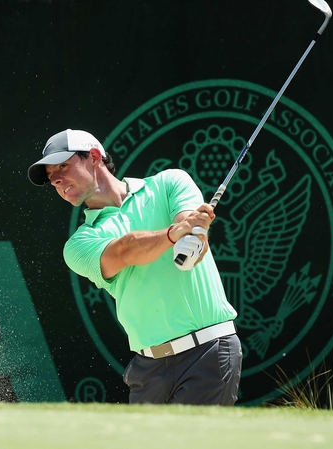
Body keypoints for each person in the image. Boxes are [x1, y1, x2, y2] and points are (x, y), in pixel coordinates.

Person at [27, 129, 242, 406]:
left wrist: (193, 236)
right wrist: (174, 233)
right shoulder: (79, 244)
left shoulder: (169, 182)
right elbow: (125, 250)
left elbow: (193, 235)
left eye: (63, 166)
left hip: (207, 352)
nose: (55, 179)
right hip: (148, 368)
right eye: (51, 177)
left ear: (94, 156)